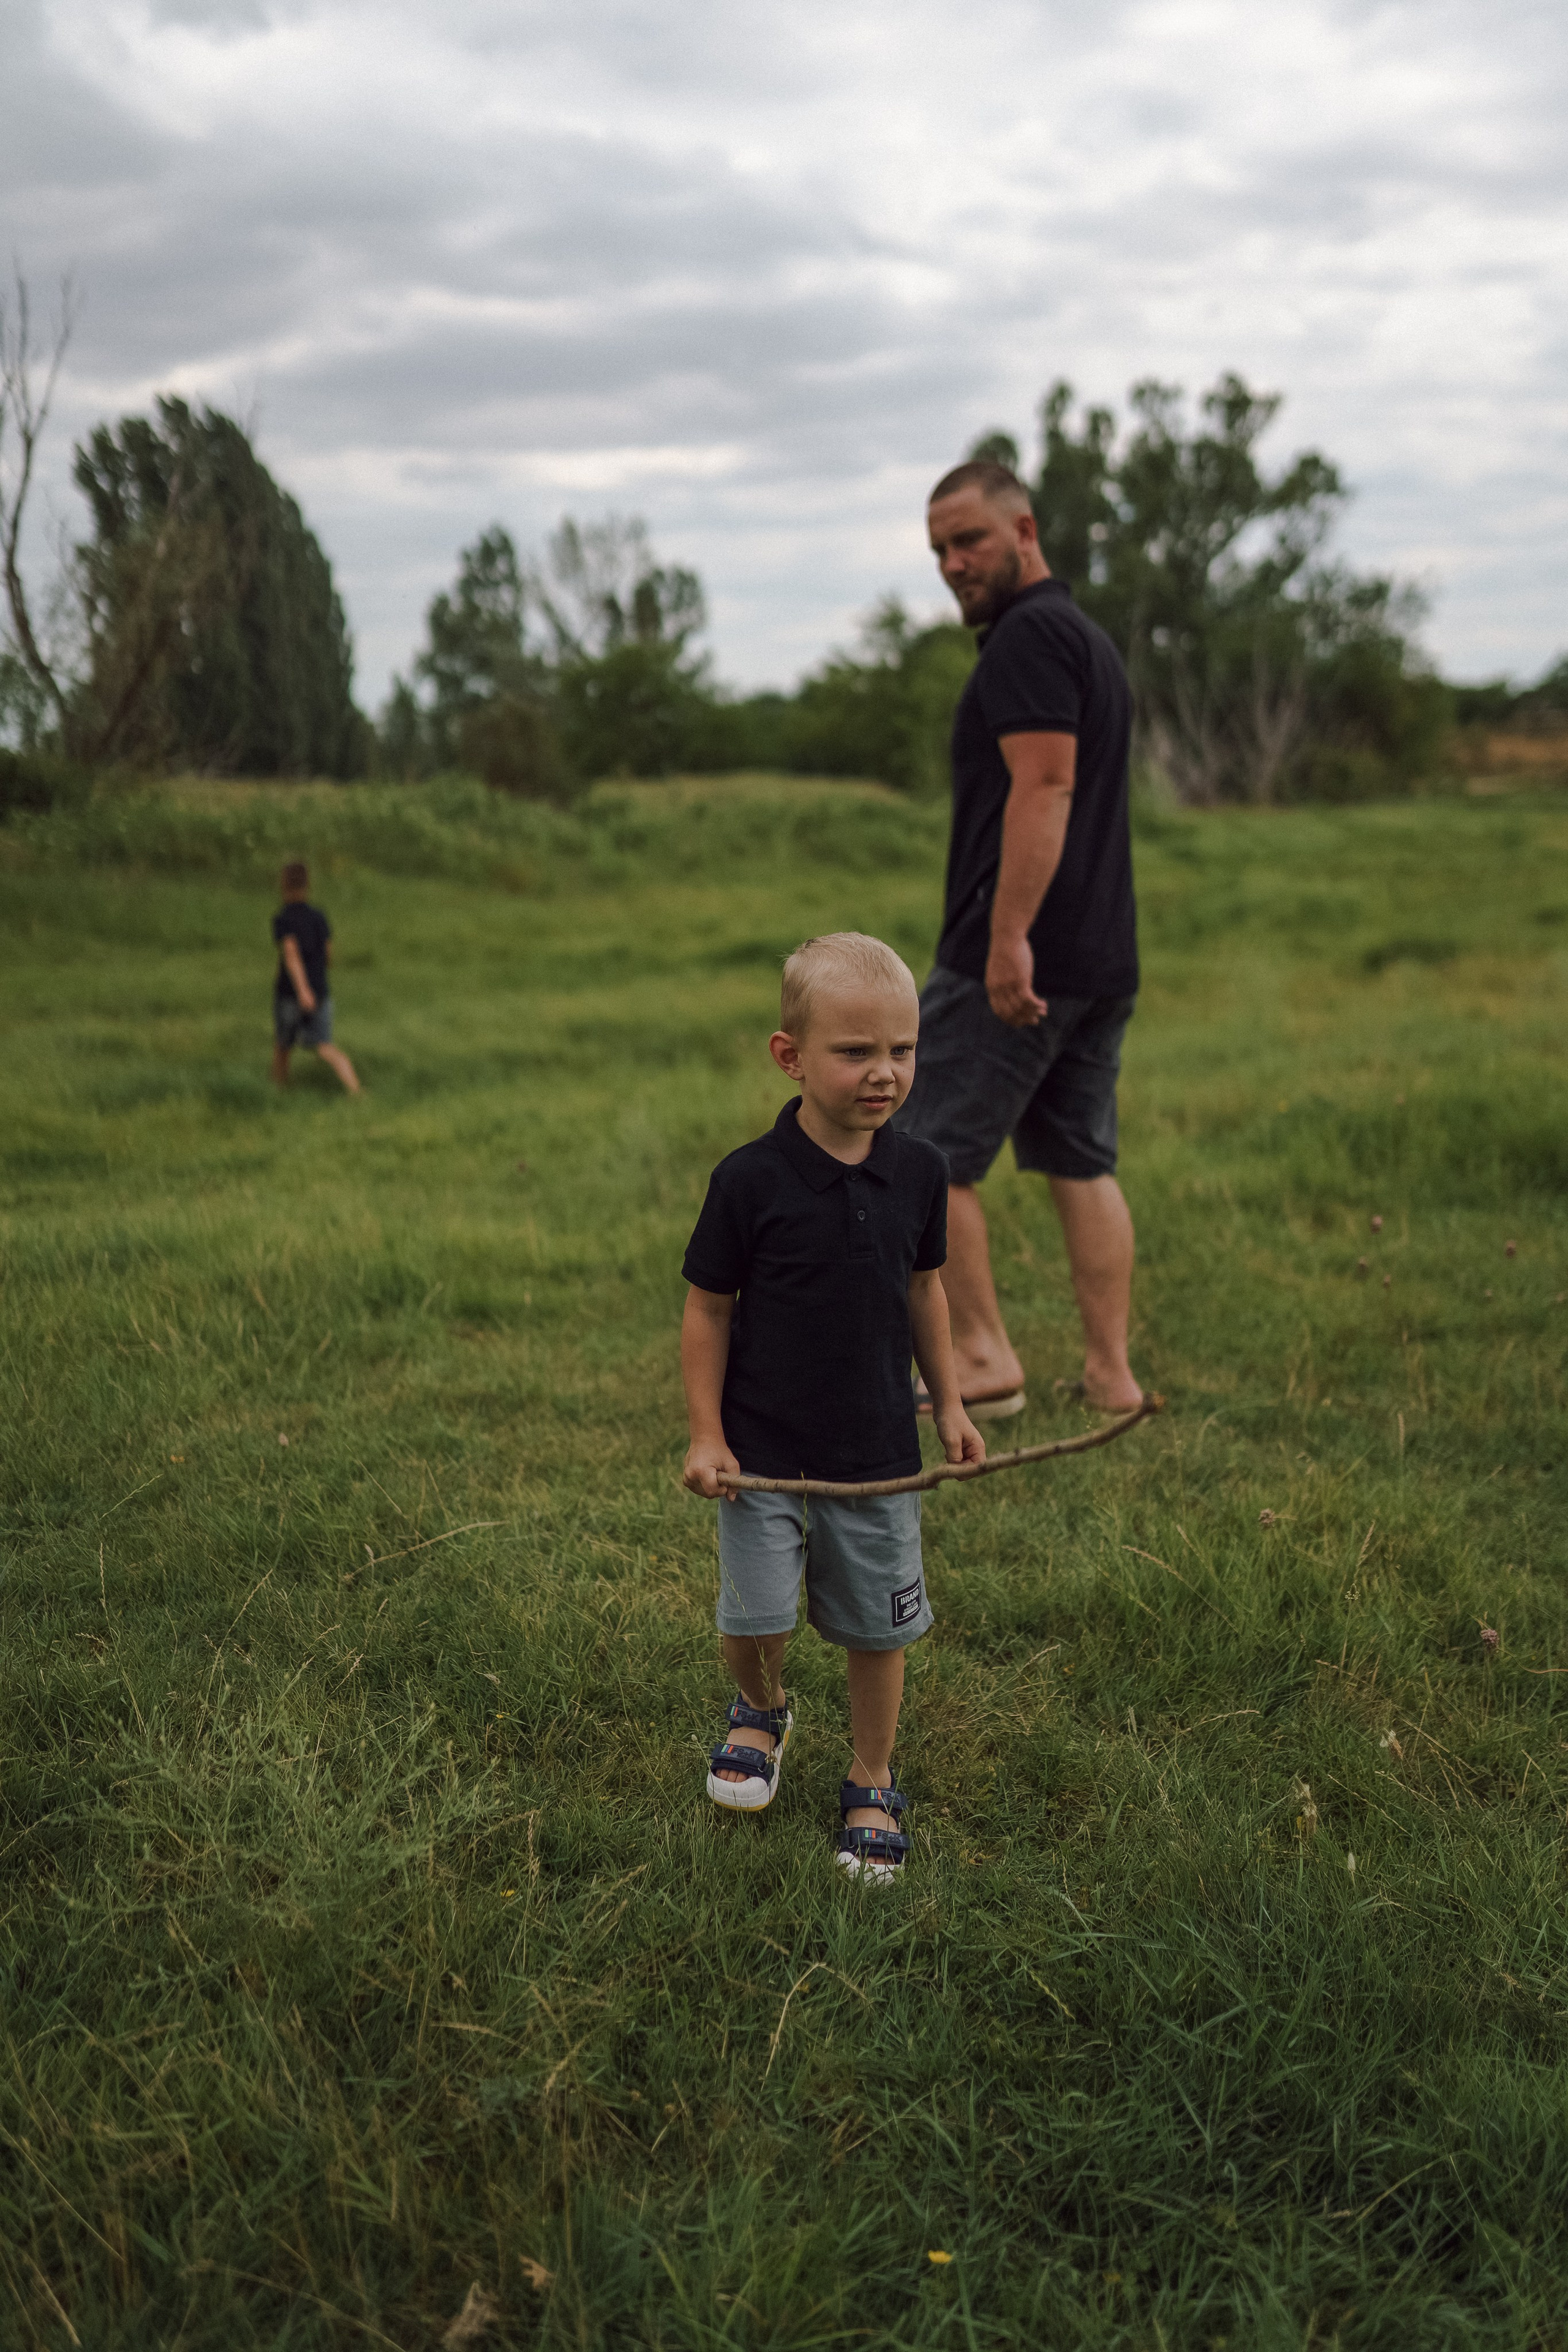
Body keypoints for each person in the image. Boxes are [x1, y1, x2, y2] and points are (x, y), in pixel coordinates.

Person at [680, 932, 984, 1885]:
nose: (884, 1072)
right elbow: (708, 1309)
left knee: (877, 1632)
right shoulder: (748, 1181)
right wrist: (707, 1434)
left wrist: (950, 1405)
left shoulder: (921, 1172)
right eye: (856, 1052)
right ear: (792, 1057)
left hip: (877, 1454)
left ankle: (872, 1778)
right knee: (754, 1617)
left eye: (902, 1049)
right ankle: (761, 1709)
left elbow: (926, 1292)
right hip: (761, 1453)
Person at [896, 458, 1142, 1417]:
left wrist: (1006, 941)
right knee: (1080, 1160)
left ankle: (984, 1357)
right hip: (1099, 956)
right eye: (939, 550)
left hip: (1022, 957)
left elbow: (1046, 785)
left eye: (970, 540)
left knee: (919, 1147)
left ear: (1024, 531)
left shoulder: (1029, 639)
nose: (953, 564)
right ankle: (1111, 1374)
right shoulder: (1083, 637)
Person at [270, 860, 361, 1095]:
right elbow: (328, 955)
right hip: (320, 992)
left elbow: (291, 955)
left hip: (290, 994)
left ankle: (279, 1092)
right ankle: (356, 1090)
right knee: (325, 1047)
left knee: (283, 1046)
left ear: (283, 885)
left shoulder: (283, 919)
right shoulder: (319, 917)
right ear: (308, 885)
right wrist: (315, 983)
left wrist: (302, 991)